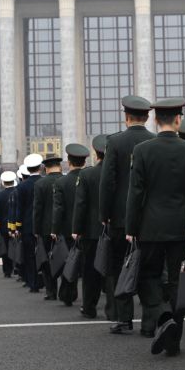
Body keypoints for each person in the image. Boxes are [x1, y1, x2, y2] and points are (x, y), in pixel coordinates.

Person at [127, 98, 185, 354]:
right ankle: (174, 339)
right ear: (179, 120)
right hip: (182, 226)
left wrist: (131, 227)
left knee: (148, 276)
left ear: (155, 120)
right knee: (177, 280)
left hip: (151, 225)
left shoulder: (143, 150)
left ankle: (162, 314)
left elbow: (136, 193)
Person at [100, 97, 156, 334]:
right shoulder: (154, 141)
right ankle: (150, 321)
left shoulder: (115, 142)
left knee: (122, 267)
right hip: (151, 218)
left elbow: (108, 182)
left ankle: (124, 318)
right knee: (150, 269)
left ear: (126, 117)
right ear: (147, 117)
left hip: (121, 218)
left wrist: (105, 214)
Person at [73, 135, 110, 319]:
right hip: (114, 229)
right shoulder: (120, 172)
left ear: (96, 154)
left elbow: (81, 205)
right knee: (113, 270)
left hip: (91, 232)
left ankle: (89, 307)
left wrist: (77, 229)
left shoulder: (86, 174)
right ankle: (114, 309)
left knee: (90, 272)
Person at [55, 146, 88, 306]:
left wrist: (55, 230)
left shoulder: (61, 182)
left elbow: (59, 209)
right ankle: (90, 300)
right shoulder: (91, 176)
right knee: (89, 265)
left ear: (69, 162)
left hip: (68, 230)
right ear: (85, 161)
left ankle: (68, 294)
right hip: (88, 229)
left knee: (70, 262)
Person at [34, 155, 64, 299]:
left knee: (47, 261)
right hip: (66, 228)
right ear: (60, 167)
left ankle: (51, 291)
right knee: (66, 259)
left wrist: (36, 230)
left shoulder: (40, 184)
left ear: (45, 168)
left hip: (46, 228)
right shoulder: (67, 181)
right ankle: (67, 291)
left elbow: (37, 209)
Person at [14, 154, 44, 291]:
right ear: (40, 167)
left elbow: (19, 209)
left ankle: (33, 284)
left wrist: (18, 227)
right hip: (45, 225)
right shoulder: (45, 182)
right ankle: (48, 285)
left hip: (27, 226)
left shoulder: (22, 187)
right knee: (45, 254)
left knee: (30, 256)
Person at [0, 171, 19, 277]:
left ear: (3, 183)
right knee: (16, 246)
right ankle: (16, 267)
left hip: (3, 226)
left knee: (5, 248)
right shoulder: (18, 192)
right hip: (16, 224)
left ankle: (7, 271)